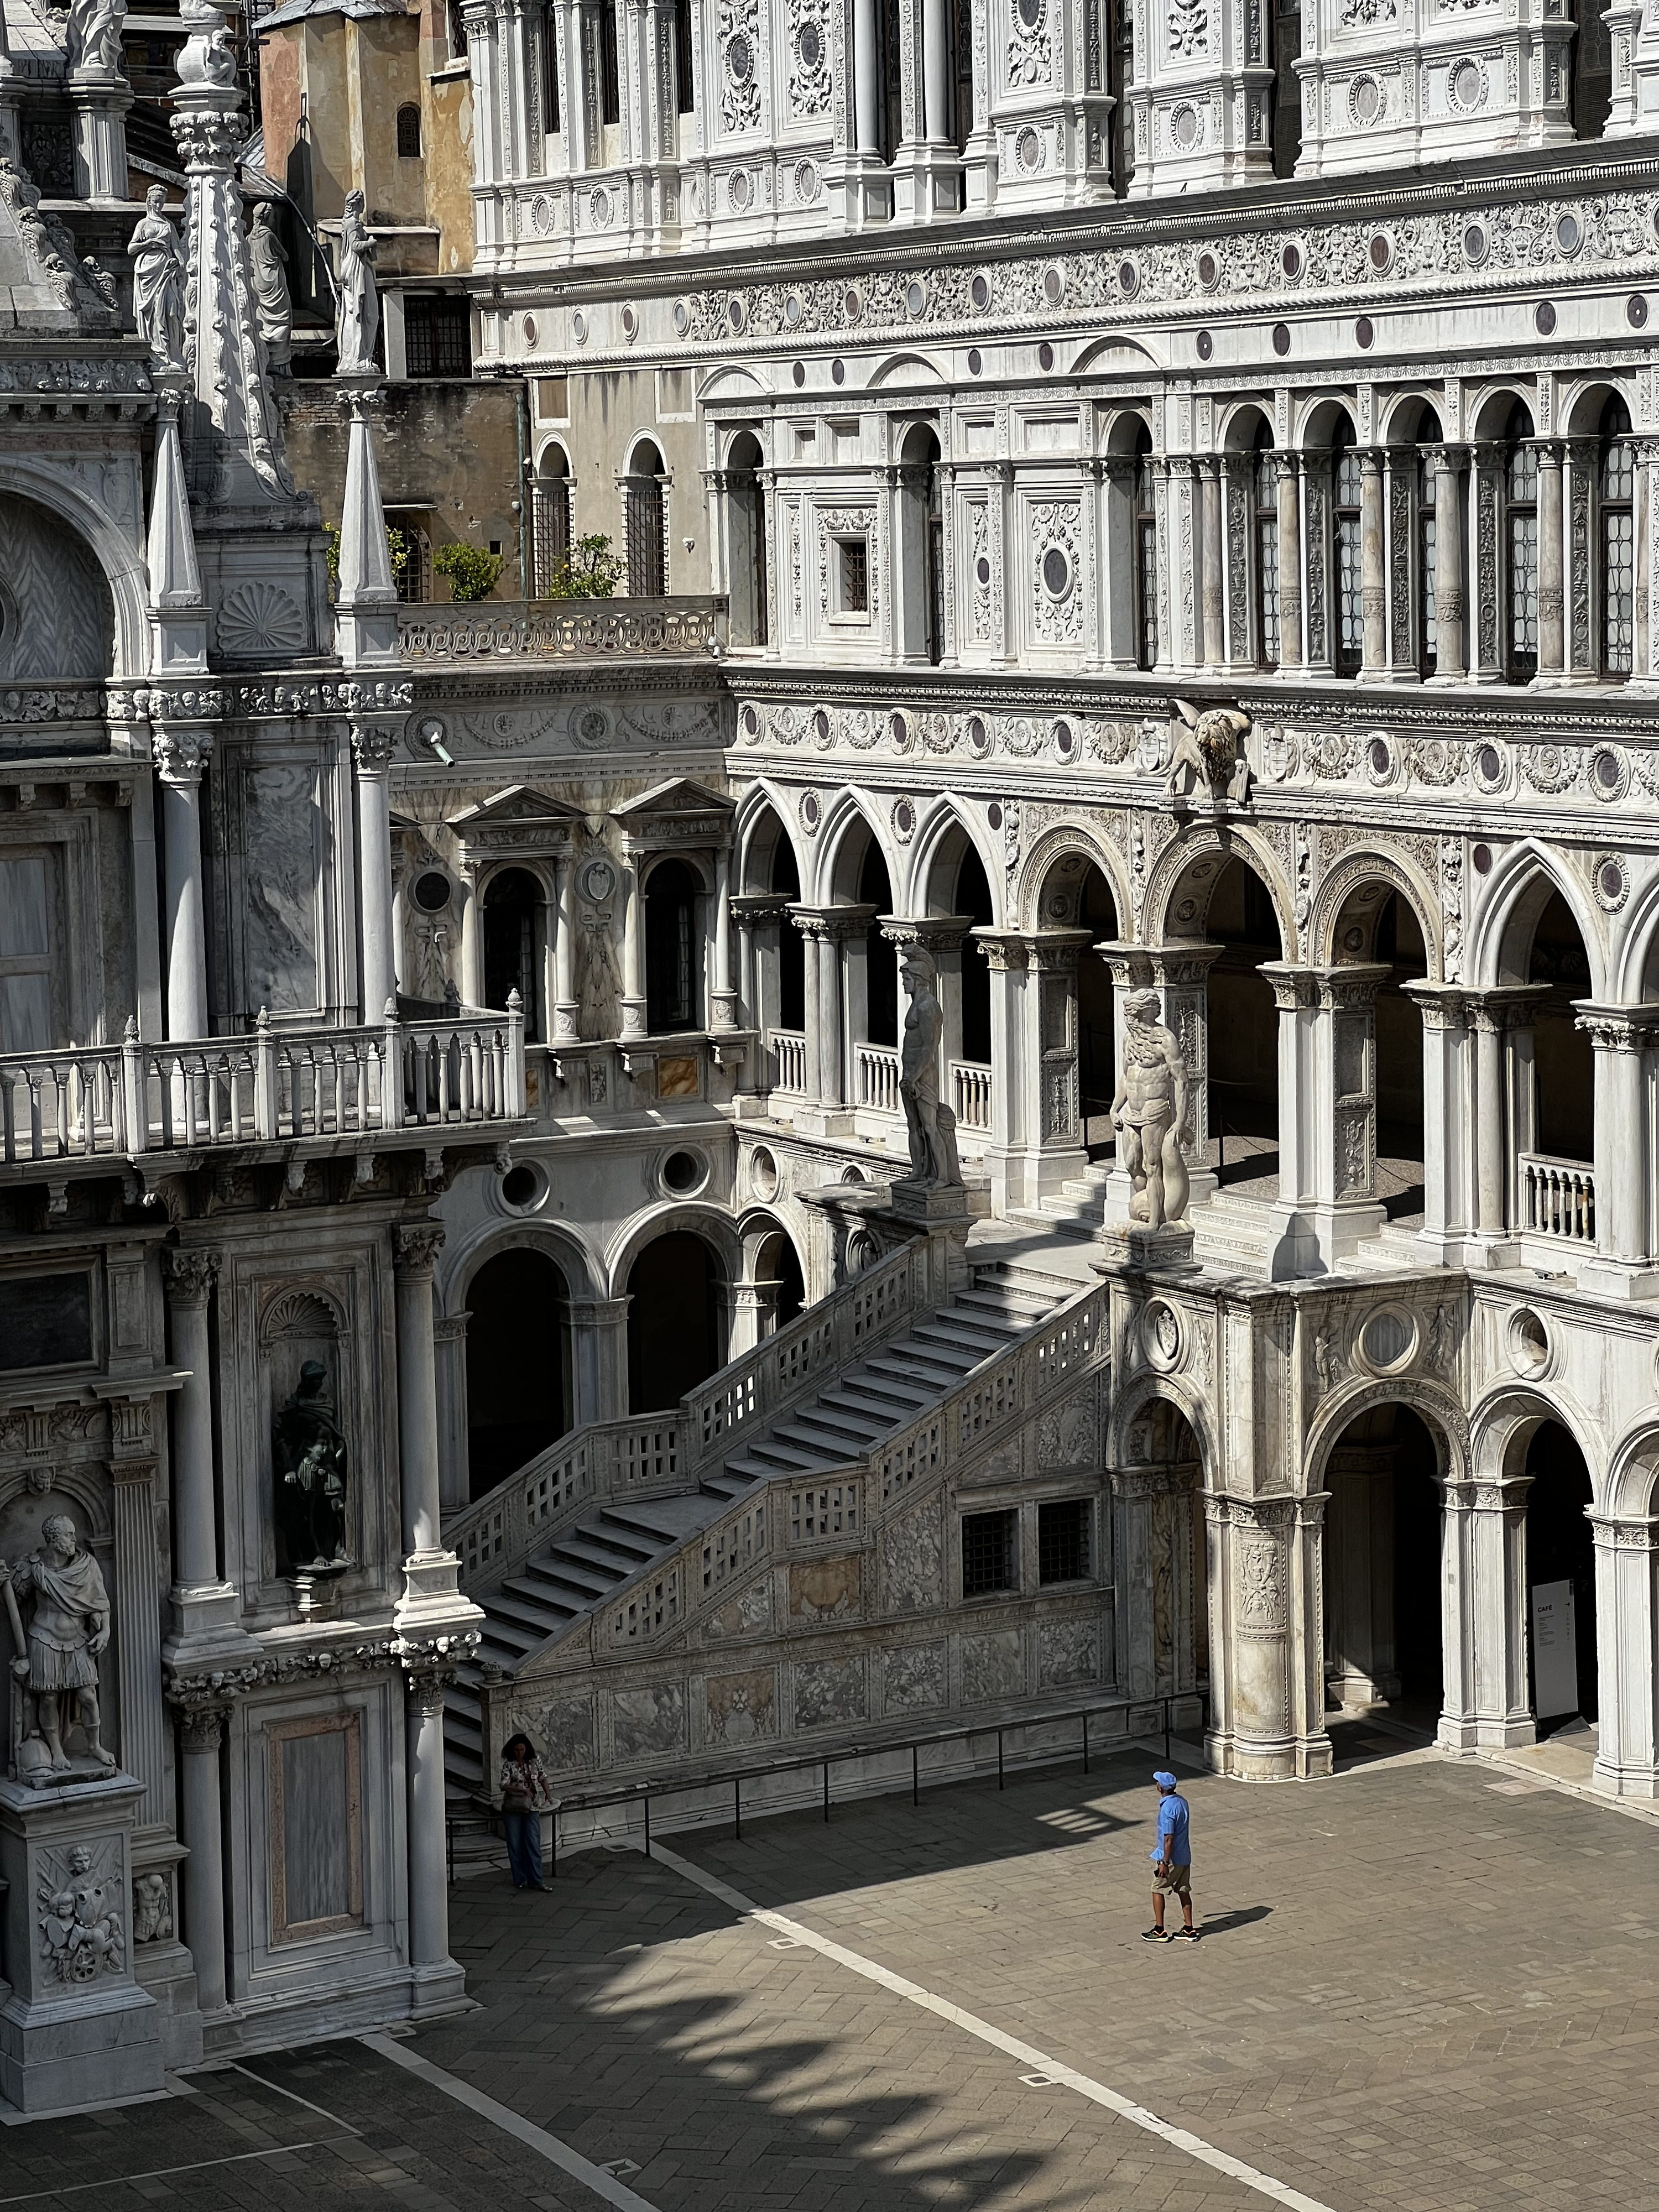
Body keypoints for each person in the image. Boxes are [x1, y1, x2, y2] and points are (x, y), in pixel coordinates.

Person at [1144, 1770, 1198, 1941]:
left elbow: (1168, 1838)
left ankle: (1159, 1930)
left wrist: (1164, 1863)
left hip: (1172, 1858)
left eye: (1157, 1782)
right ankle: (1189, 1928)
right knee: (1183, 1889)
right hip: (1185, 1855)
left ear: (1160, 1788)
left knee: (1157, 1888)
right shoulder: (1182, 1802)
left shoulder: (1167, 1809)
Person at [499, 1731, 552, 1890]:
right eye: (516, 1750)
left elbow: (542, 1777)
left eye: (522, 1750)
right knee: (515, 1844)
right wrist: (520, 1790)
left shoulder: (535, 1761)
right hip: (513, 1807)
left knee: (533, 1843)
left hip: (533, 1806)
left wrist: (548, 1795)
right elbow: (503, 1785)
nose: (519, 1753)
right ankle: (519, 1879)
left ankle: (536, 1880)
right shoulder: (509, 1765)